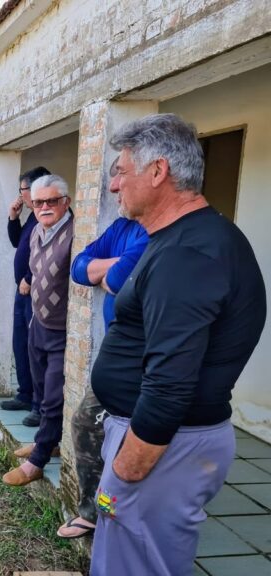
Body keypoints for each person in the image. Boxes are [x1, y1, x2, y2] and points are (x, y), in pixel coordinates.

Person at [90, 113, 266, 575]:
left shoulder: (189, 252)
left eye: (120, 171)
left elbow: (170, 381)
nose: (114, 186)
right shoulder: (184, 240)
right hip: (161, 440)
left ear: (158, 171)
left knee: (140, 565)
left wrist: (127, 468)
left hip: (162, 446)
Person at [59, 202, 148, 539]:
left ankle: (111, 517)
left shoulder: (153, 229)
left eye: (122, 175)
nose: (116, 189)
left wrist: (108, 269)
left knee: (106, 431)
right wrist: (111, 266)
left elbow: (117, 279)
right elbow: (79, 267)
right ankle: (96, 513)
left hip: (143, 356)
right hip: (117, 352)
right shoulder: (121, 227)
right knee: (90, 425)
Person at [3, 175, 74, 487]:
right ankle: (48, 440)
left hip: (63, 328)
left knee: (54, 396)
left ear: (65, 202)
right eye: (40, 201)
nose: (45, 207)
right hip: (39, 322)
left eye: (52, 201)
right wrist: (29, 281)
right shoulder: (36, 232)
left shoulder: (76, 233)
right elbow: (35, 267)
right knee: (42, 390)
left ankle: (38, 461)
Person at [0, 166, 51, 432]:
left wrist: (30, 277)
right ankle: (25, 393)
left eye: (22, 190)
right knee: (20, 343)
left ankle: (40, 406)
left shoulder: (49, 217)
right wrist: (13, 217)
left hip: (37, 293)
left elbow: (47, 253)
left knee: (36, 348)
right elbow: (16, 243)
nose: (20, 195)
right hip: (22, 293)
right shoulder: (32, 216)